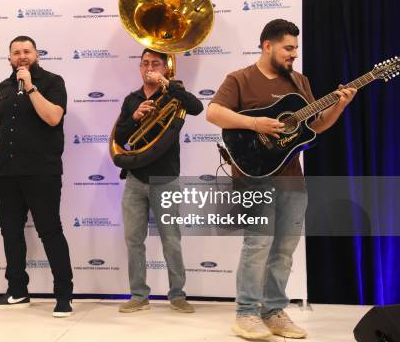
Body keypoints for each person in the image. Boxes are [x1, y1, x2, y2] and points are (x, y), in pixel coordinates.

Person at [206, 19, 356, 340]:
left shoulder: (300, 82)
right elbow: (214, 113)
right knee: (258, 244)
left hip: (292, 180)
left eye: (295, 49)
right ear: (268, 46)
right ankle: (245, 313)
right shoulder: (240, 79)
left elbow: (314, 127)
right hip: (254, 177)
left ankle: (273, 311)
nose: (293, 54)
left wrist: (340, 105)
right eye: (288, 48)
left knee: (284, 250)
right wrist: (256, 123)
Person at [0, 35, 73, 318]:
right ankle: (17, 291)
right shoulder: (4, 86)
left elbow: (53, 118)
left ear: (36, 54)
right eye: (16, 53)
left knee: (50, 231)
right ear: (9, 58)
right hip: (7, 172)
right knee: (10, 231)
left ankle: (63, 295)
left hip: (41, 171)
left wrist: (31, 88)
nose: (22, 57)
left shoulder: (52, 82)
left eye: (27, 51)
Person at [113, 48, 203, 314]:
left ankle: (178, 295)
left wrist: (169, 86)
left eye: (155, 64)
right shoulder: (132, 99)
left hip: (165, 178)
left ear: (166, 67)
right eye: (144, 64)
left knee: (171, 239)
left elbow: (197, 108)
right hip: (135, 177)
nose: (149, 68)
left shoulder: (174, 93)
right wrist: (135, 117)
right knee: (133, 239)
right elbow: (120, 138)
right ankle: (139, 296)